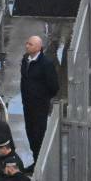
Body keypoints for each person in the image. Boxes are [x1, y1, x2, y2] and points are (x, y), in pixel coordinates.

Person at [20, 36, 59, 171]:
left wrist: (42, 98)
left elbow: (54, 86)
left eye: (30, 44)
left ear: (38, 47)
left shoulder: (46, 63)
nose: (27, 46)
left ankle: (40, 162)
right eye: (27, 43)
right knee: (30, 132)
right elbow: (24, 79)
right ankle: (35, 160)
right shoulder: (26, 60)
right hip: (27, 104)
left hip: (39, 106)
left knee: (38, 133)